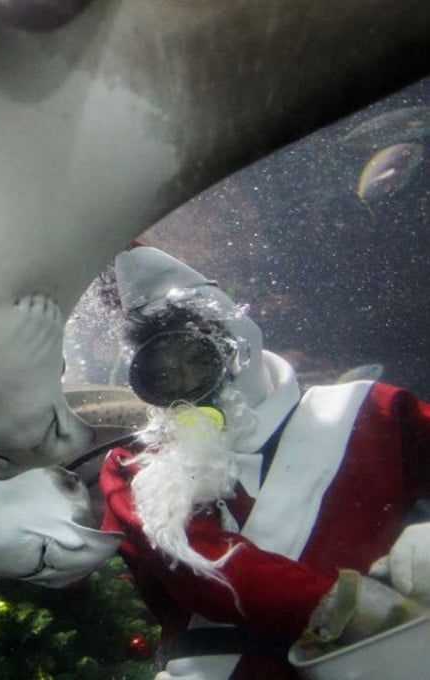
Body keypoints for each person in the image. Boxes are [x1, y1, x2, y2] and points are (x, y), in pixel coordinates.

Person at [95, 246, 430, 679]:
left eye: (198, 360)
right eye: (163, 374)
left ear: (236, 347)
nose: (186, 387)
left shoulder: (373, 412)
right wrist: (340, 602)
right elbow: (190, 561)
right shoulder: (136, 467)